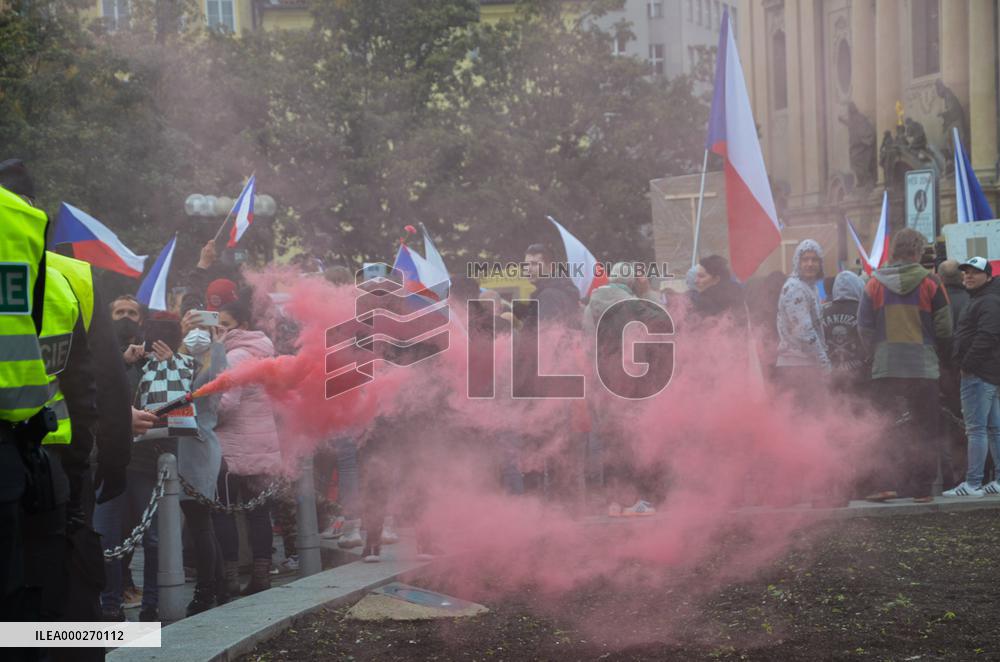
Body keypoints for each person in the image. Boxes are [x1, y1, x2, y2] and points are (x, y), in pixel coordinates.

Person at [858, 228, 953, 503]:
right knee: (925, 428)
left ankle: (883, 484)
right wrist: (939, 355)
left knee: (883, 427)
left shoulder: (873, 284)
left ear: (894, 251)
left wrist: (876, 352)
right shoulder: (932, 282)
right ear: (917, 252)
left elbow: (863, 327)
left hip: (886, 365)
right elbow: (945, 327)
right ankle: (922, 489)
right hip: (923, 366)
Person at [214, 301, 282, 595]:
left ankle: (229, 578)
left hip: (232, 448)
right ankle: (261, 575)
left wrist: (203, 413)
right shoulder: (264, 350)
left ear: (241, 326)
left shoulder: (234, 356)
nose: (219, 329)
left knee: (223, 511)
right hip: (262, 444)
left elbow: (225, 405)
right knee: (259, 514)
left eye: (225, 324)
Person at [943, 258, 1000, 498]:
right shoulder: (983, 298)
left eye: (975, 272)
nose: (968, 276)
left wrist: (967, 365)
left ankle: (973, 483)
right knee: (994, 429)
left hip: (978, 374)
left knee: (976, 430)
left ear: (988, 276)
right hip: (987, 374)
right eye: (966, 272)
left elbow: (987, 336)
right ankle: (997, 481)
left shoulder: (988, 301)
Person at [774, 240, 831, 398]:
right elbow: (804, 331)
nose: (810, 264)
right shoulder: (795, 288)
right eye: (805, 259)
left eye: (814, 259)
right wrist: (823, 362)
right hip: (797, 365)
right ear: (797, 262)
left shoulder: (809, 287)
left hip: (803, 363)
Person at [820, 271, 869, 393]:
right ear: (858, 286)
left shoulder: (821, 311)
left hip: (830, 378)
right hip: (861, 377)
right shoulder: (865, 310)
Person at [690, 255, 745, 321]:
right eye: (696, 276)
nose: (696, 281)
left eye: (701, 276)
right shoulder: (740, 293)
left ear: (716, 279)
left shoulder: (704, 301)